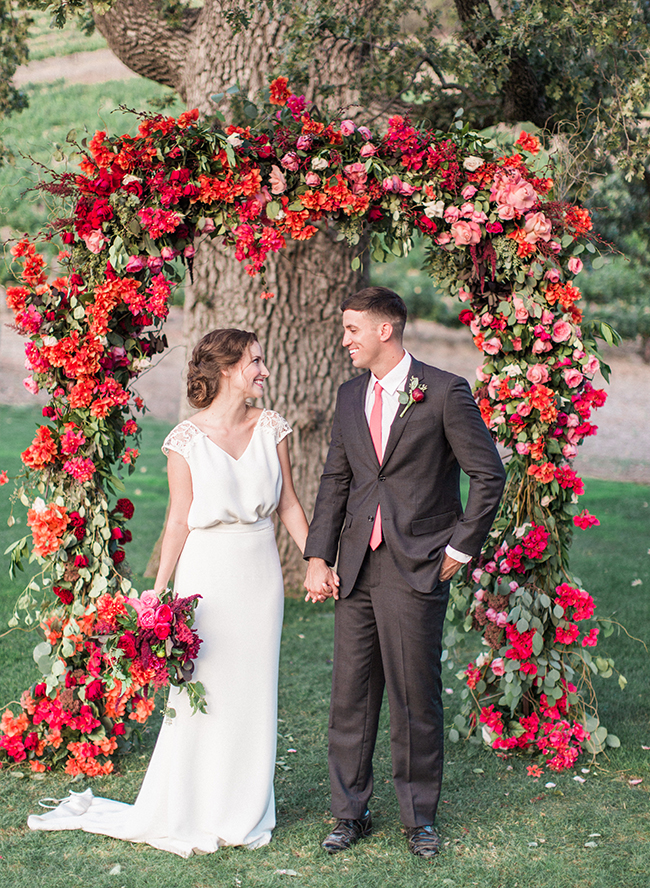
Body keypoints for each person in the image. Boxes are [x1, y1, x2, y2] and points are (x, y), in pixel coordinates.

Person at [28, 328, 309, 857]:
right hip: (206, 576)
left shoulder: (273, 428)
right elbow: (178, 520)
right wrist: (159, 593)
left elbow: (289, 504)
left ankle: (244, 807)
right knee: (201, 689)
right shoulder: (184, 439)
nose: (264, 370)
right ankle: (193, 802)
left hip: (260, 573)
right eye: (255, 361)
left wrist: (315, 559)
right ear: (227, 370)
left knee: (253, 689)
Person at [303, 287, 506, 859]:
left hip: (417, 563)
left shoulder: (443, 392)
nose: (345, 340)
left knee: (415, 696)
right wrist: (319, 555)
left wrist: (461, 550)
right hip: (355, 565)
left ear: (385, 330)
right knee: (351, 694)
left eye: (352, 330)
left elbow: (488, 475)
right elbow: (336, 481)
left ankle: (419, 817)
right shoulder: (348, 396)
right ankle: (350, 812)